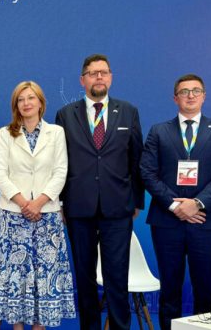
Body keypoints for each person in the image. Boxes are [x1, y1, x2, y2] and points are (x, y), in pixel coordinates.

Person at [140, 74, 211, 329]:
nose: (190, 95)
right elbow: (147, 172)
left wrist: (197, 203)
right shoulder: (159, 131)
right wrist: (175, 206)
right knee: (169, 291)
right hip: (167, 222)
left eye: (196, 91)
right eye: (184, 91)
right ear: (175, 98)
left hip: (207, 221)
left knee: (205, 291)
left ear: (204, 96)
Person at [55, 54, 144, 330]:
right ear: (82, 80)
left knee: (117, 276)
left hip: (118, 207)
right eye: (93, 73)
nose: (99, 77)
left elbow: (136, 158)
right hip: (78, 207)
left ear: (111, 78)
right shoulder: (65, 115)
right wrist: (61, 203)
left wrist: (136, 201)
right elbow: (59, 162)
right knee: (84, 277)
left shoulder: (128, 111)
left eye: (104, 72)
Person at [0, 81, 76, 329]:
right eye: (21, 99)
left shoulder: (56, 132)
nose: (26, 103)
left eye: (31, 98)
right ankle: (17, 327)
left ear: (40, 102)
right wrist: (25, 203)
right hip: (13, 216)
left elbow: (60, 171)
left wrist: (39, 202)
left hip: (47, 216)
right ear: (15, 105)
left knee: (44, 277)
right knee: (16, 277)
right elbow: (0, 173)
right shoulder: (6, 133)